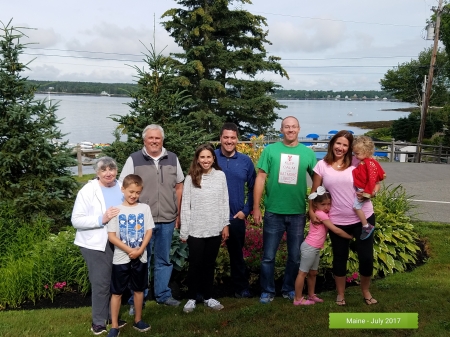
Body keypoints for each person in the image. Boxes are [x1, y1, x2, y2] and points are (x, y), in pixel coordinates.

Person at [120, 124, 184, 313]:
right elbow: (123, 187)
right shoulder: (134, 159)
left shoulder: (172, 158)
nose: (154, 141)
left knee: (164, 259)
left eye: (157, 138)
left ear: (162, 140)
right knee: (140, 260)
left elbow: (179, 186)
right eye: (151, 138)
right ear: (144, 140)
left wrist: (178, 213)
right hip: (141, 221)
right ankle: (136, 299)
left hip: (167, 217)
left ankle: (163, 294)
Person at [310, 130, 378, 306]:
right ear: (332, 143)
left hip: (364, 218)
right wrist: (311, 211)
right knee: (339, 258)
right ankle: (341, 294)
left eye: (345, 145)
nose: (340, 147)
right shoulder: (322, 165)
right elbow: (315, 191)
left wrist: (373, 192)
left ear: (349, 148)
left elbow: (376, 177)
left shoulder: (357, 161)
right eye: (338, 143)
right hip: (338, 221)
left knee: (366, 257)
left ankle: (365, 291)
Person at [253, 116, 317, 304]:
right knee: (268, 256)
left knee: (295, 256)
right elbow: (261, 178)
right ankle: (267, 290)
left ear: (299, 129)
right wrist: (256, 207)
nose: (290, 130)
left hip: (297, 212)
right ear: (281, 129)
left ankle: (289, 288)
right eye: (287, 127)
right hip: (274, 211)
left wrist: (313, 206)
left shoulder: (308, 153)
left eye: (294, 127)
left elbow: (318, 180)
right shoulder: (270, 150)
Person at [71, 157, 127, 335]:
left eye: (112, 169)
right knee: (101, 283)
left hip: (118, 241)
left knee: (115, 282)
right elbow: (76, 220)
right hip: (95, 244)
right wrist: (101, 219)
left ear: (116, 170)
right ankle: (98, 322)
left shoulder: (121, 186)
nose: (108, 173)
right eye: (104, 170)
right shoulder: (88, 191)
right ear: (97, 172)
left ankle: (112, 316)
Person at [180, 144, 230, 313]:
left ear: (213, 158)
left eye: (209, 157)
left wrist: (225, 224)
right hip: (196, 229)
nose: (206, 160)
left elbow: (224, 202)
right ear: (197, 159)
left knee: (209, 264)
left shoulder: (220, 176)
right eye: (202, 157)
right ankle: (192, 298)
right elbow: (186, 205)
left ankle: (208, 297)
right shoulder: (191, 178)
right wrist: (184, 230)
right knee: (195, 265)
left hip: (214, 228)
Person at [106, 174, 154, 337]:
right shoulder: (116, 210)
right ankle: (114, 326)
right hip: (121, 258)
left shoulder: (144, 209)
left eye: (137, 192)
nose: (134, 195)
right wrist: (129, 250)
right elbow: (112, 236)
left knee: (139, 290)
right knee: (117, 292)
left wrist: (140, 250)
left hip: (140, 257)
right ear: (123, 189)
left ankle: (138, 320)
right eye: (131, 192)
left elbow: (149, 231)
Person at [215, 123, 256, 298]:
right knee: (207, 255)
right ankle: (205, 290)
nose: (229, 141)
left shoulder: (245, 161)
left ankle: (241, 287)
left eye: (232, 138)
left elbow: (253, 188)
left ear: (237, 139)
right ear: (220, 139)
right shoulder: (212, 157)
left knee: (237, 255)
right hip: (213, 216)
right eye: (226, 137)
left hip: (236, 216)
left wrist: (246, 211)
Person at [293, 187, 353, 306]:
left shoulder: (322, 212)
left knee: (313, 273)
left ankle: (311, 295)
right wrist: (350, 236)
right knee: (302, 273)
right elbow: (335, 230)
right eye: (323, 204)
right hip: (310, 247)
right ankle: (297, 299)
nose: (326, 207)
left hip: (315, 248)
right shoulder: (320, 214)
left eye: (328, 204)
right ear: (315, 205)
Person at [352, 136, 386, 240]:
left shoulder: (369, 163)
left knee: (356, 207)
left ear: (366, 151)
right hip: (361, 188)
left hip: (363, 190)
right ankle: (366, 225)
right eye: (354, 153)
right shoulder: (367, 161)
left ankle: (366, 226)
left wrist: (369, 193)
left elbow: (373, 180)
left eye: (357, 154)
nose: (355, 156)